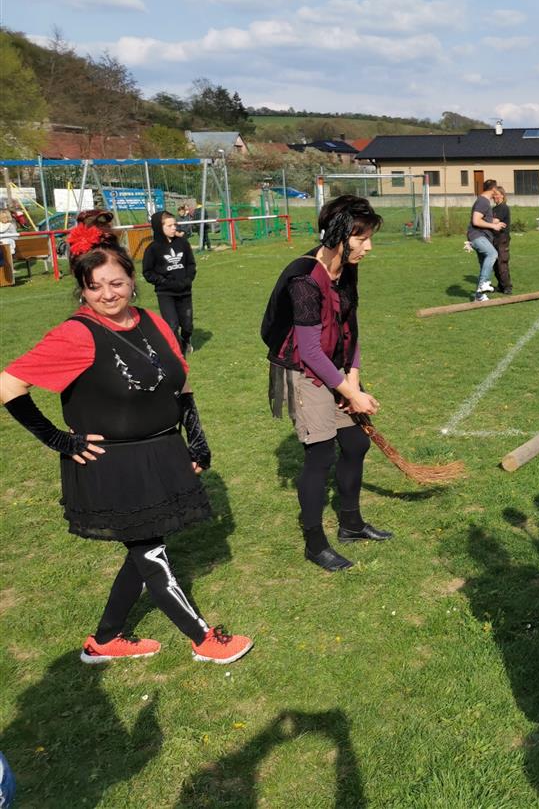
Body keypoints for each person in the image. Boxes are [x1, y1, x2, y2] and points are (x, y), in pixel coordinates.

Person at [0, 210, 252, 665]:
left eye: (115, 283)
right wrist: (59, 440)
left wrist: (196, 439)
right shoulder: (76, 334)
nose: (107, 294)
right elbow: (8, 385)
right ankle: (202, 639)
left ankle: (105, 639)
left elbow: (182, 384)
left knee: (143, 547)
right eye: (94, 286)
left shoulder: (152, 321)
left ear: (132, 281)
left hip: (161, 452)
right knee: (149, 550)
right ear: (82, 289)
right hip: (112, 463)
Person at [261, 195, 391, 572]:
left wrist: (353, 378)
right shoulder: (304, 279)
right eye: (361, 238)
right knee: (320, 455)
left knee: (355, 443)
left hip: (333, 363)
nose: (368, 247)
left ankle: (351, 525)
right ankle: (315, 544)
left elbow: (350, 324)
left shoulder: (345, 268)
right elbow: (309, 350)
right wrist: (350, 393)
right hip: (302, 369)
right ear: (338, 236)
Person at [142, 210, 197, 355]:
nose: (174, 228)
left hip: (184, 291)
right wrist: (163, 281)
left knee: (187, 325)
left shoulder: (183, 243)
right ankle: (178, 353)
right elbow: (148, 272)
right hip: (165, 293)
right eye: (169, 226)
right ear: (159, 227)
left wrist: (187, 279)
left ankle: (186, 340)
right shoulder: (152, 249)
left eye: (175, 225)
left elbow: (191, 264)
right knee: (172, 325)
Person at [467, 179, 505, 302]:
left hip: (479, 236)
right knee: (492, 254)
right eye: (496, 189)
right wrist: (493, 226)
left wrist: (495, 222)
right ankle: (483, 284)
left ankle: (479, 296)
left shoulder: (483, 201)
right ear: (493, 189)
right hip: (478, 236)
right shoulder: (483, 201)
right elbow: (476, 221)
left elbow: (483, 219)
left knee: (484, 264)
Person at [491, 185, 513, 294]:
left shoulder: (503, 207)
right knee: (495, 264)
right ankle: (501, 285)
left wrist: (482, 220)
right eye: (493, 194)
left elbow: (495, 221)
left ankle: (507, 286)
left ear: (502, 195)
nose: (494, 196)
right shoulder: (494, 209)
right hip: (494, 238)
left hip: (502, 239)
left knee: (502, 262)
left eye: (496, 194)